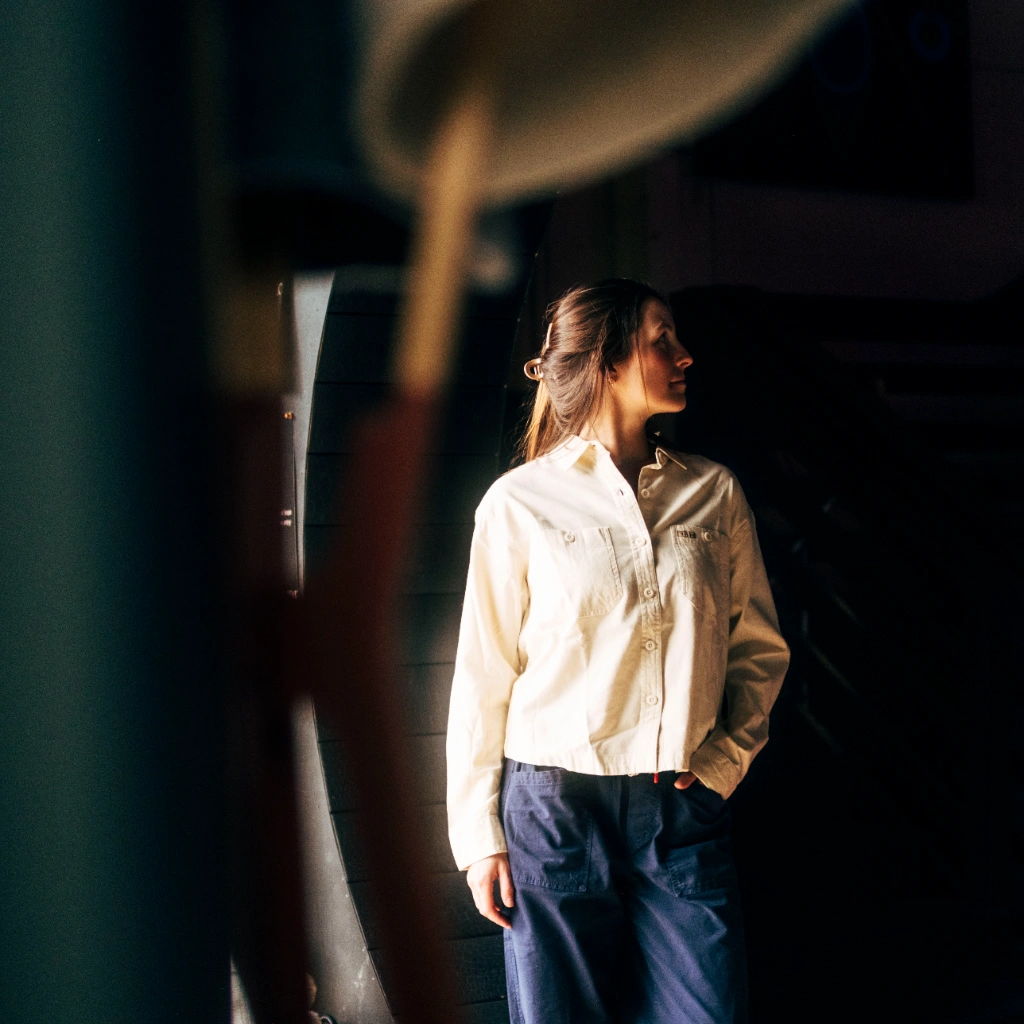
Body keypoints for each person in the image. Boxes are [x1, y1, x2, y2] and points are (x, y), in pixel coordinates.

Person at [446, 279, 789, 1023]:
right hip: (554, 812)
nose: (684, 354)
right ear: (606, 360)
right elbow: (483, 676)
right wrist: (479, 841)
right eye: (662, 338)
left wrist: (726, 763)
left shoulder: (714, 493)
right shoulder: (519, 503)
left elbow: (759, 651)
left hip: (683, 809)